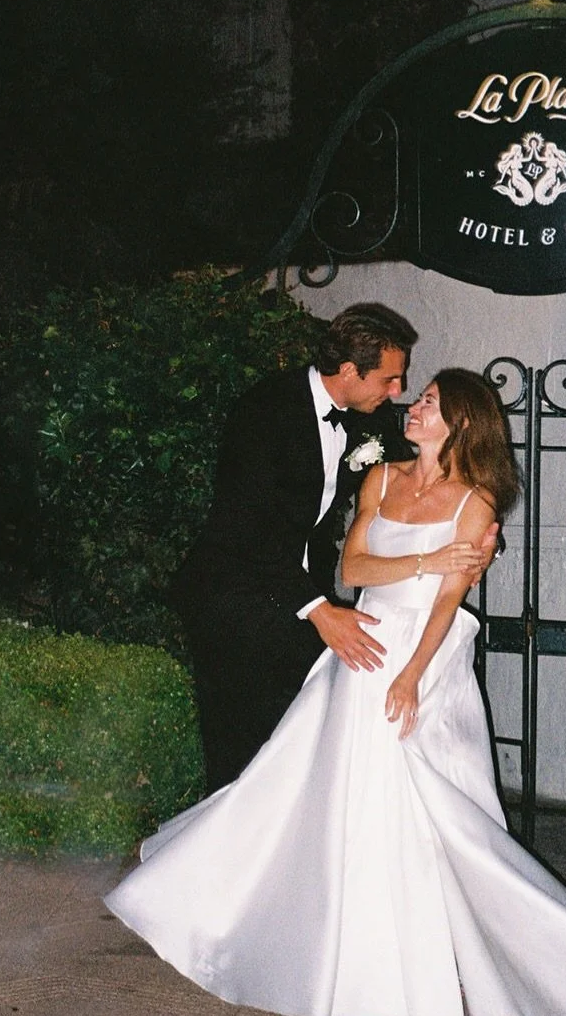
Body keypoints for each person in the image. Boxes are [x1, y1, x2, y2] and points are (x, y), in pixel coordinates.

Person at [107, 368, 566, 1016]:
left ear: (461, 421)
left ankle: (505, 946)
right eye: (418, 395)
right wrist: (426, 557)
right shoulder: (380, 479)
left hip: (422, 656)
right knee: (313, 788)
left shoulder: (478, 504)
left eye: (431, 401)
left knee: (439, 811)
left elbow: (445, 604)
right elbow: (350, 569)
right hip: (365, 642)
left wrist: (411, 675)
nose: (415, 404)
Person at [170, 302, 498, 792]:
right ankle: (236, 857)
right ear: (349, 370)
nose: (398, 392)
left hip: (301, 594)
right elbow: (247, 531)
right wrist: (321, 611)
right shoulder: (266, 412)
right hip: (234, 593)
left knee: (310, 739)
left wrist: (481, 546)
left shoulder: (373, 420)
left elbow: (448, 471)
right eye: (389, 379)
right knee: (243, 752)